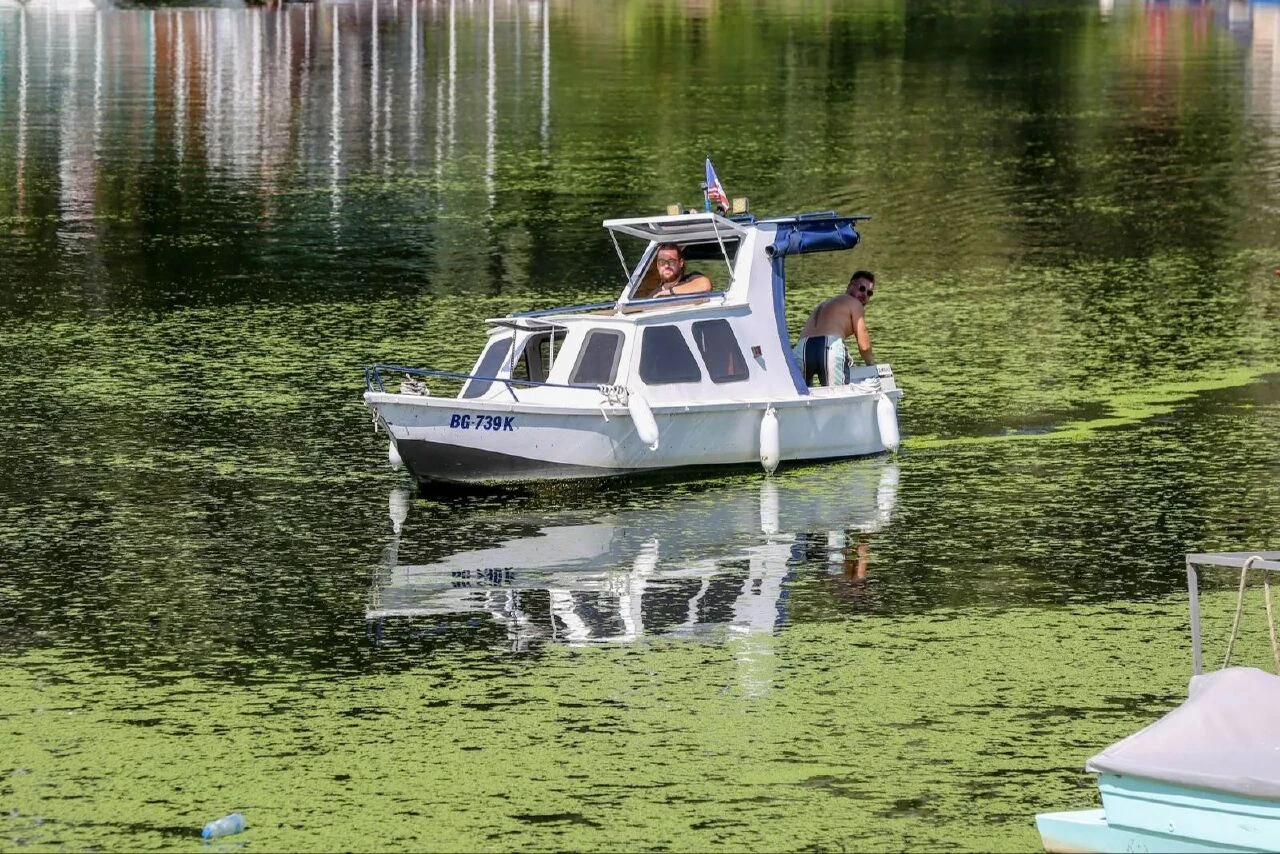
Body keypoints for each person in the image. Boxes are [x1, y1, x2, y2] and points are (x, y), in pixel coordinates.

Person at [792, 270, 877, 386]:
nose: (865, 295)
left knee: (800, 397)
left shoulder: (824, 303)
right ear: (851, 285)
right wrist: (872, 367)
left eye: (869, 293)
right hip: (829, 347)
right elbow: (864, 345)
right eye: (862, 289)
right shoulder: (855, 303)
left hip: (802, 347)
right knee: (838, 397)